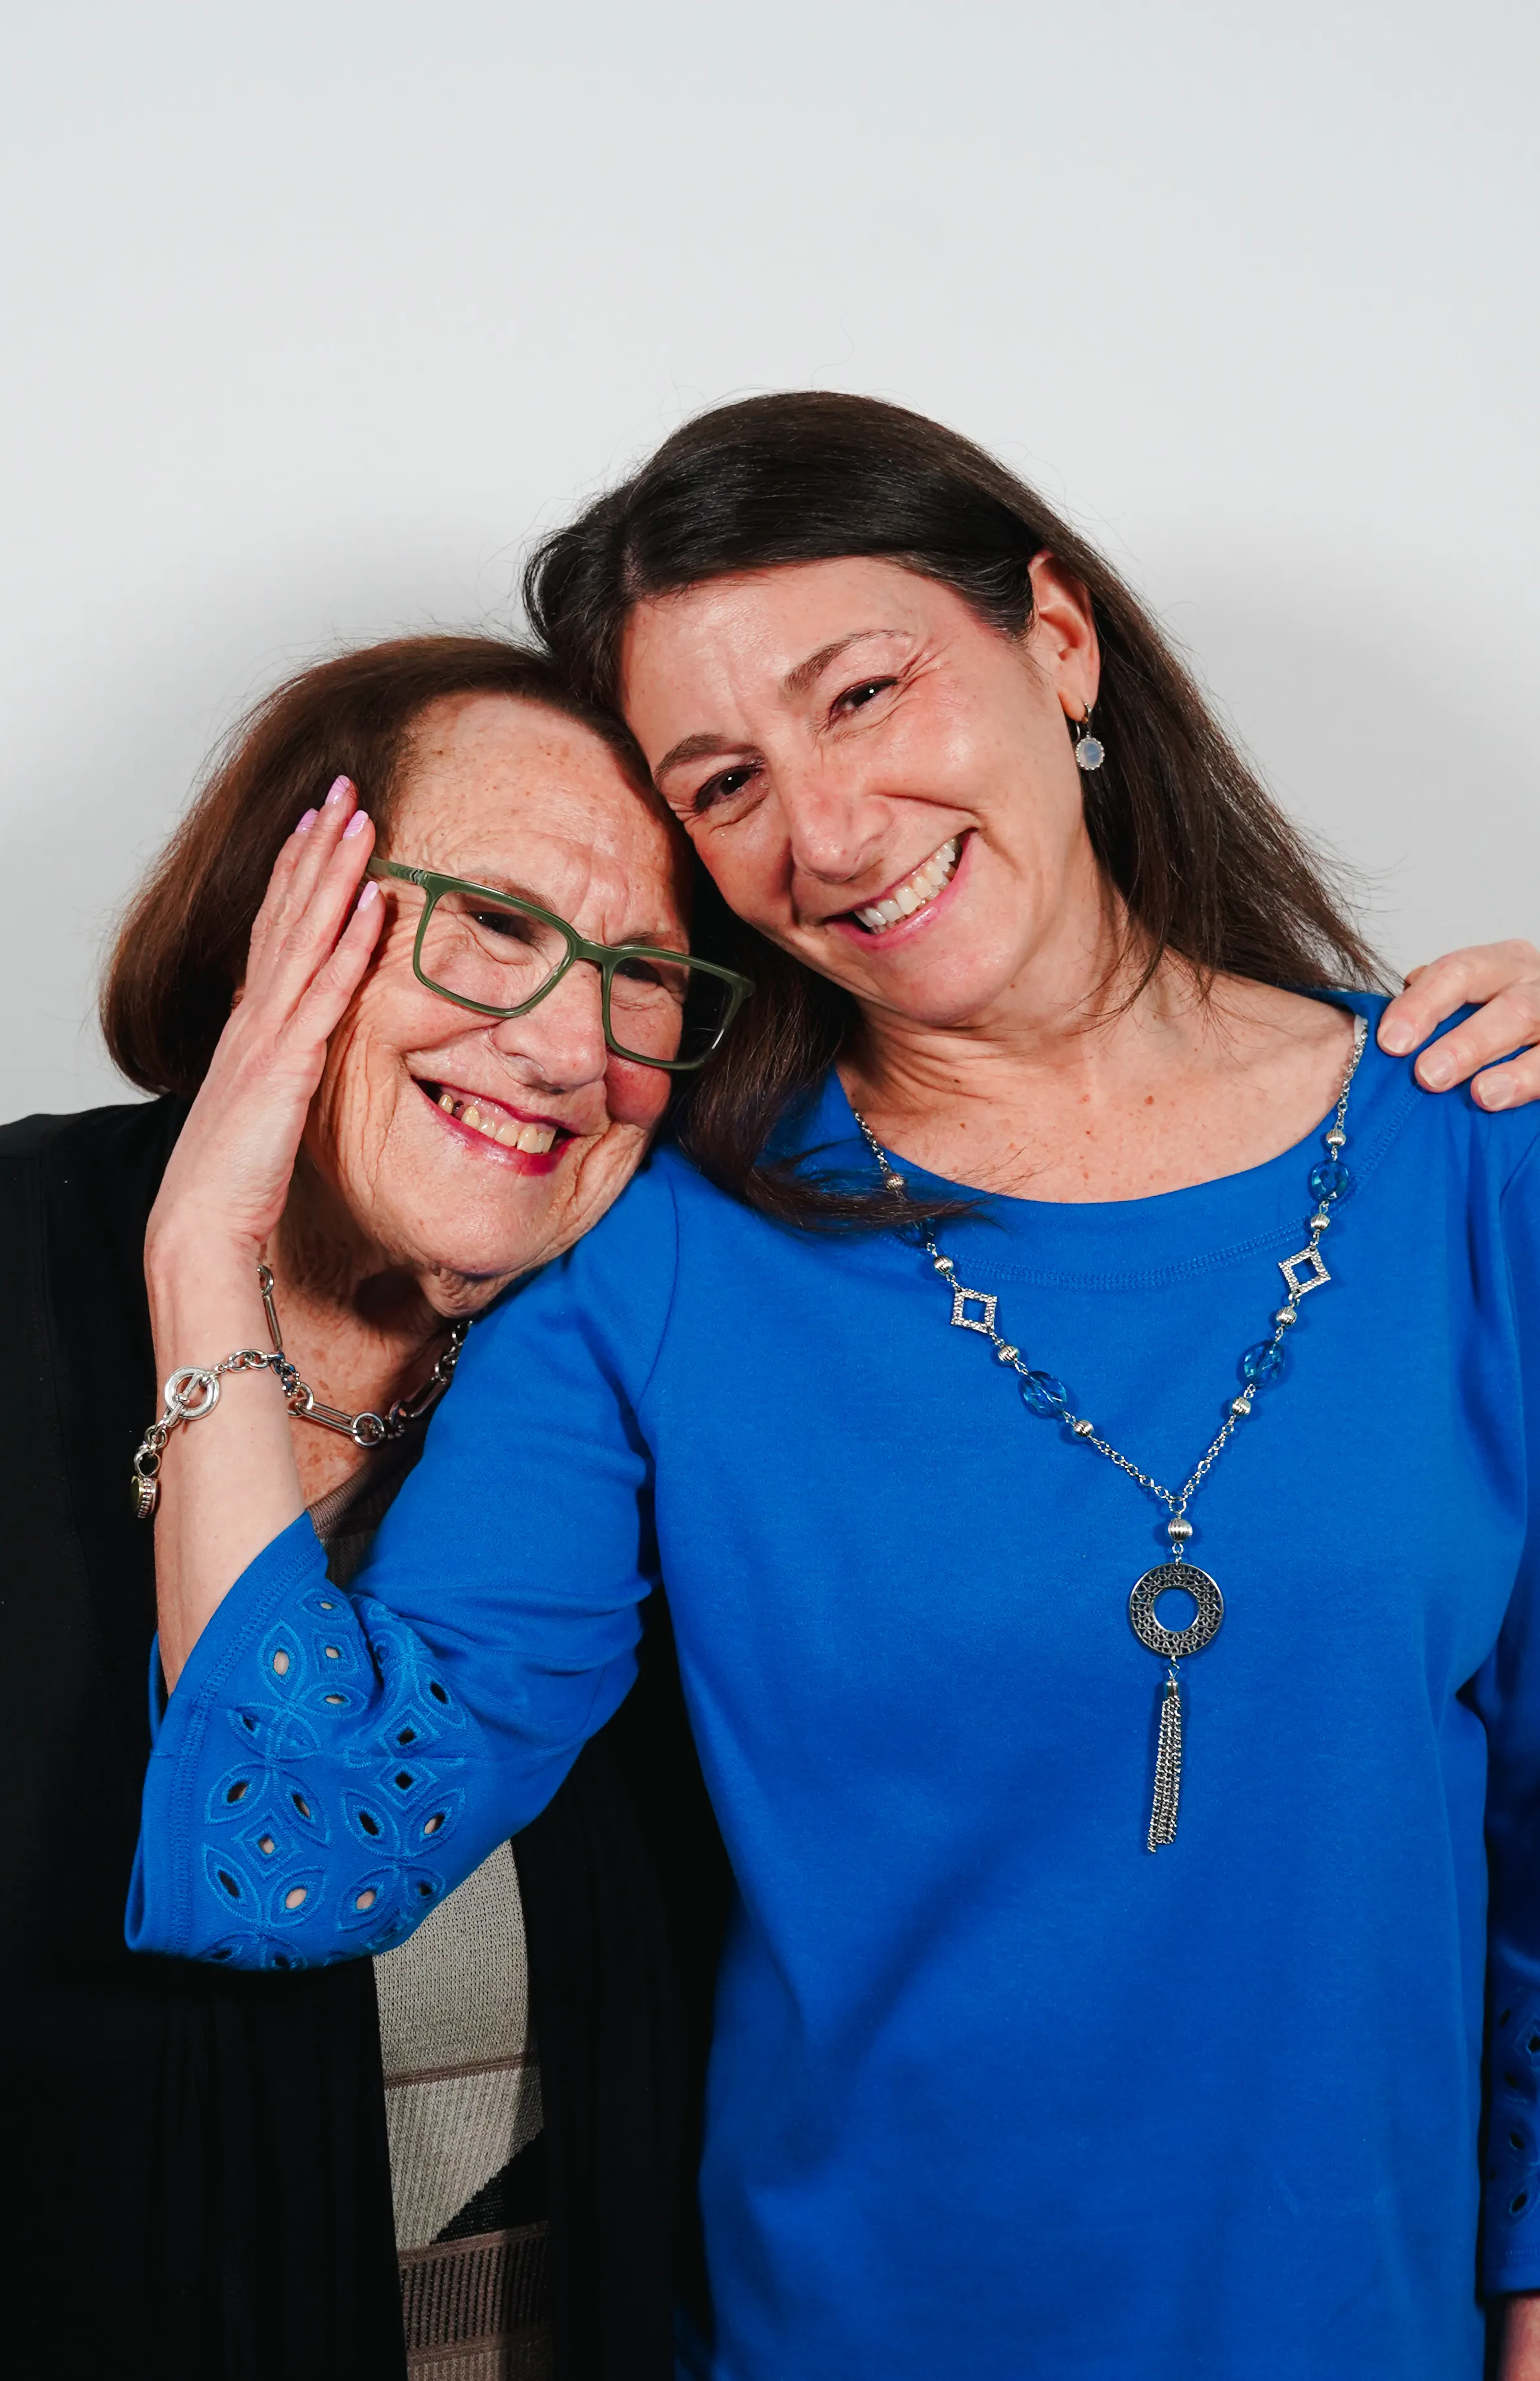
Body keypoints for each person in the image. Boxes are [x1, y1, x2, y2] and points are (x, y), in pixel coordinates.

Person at [129, 395, 1540, 2381]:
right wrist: (205, 1251)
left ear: (1060, 641)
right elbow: (297, 1843)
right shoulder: (658, 1252)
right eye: (724, 785)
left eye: (863, 694)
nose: (831, 833)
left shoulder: (1477, 1151)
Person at [0, 634, 735, 2381]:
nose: (568, 1046)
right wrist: (204, 1249)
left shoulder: (659, 1371)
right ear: (280, 917)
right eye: (496, 923)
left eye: (646, 974)